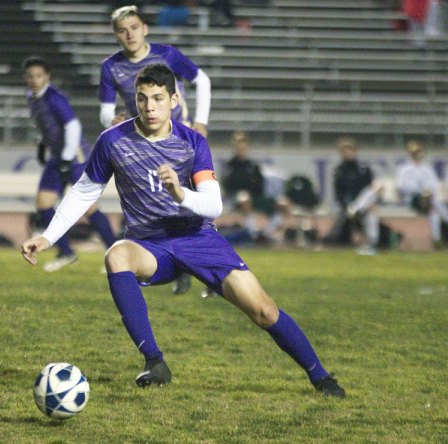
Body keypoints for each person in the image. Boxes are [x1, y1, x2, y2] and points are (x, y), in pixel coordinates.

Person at [22, 64, 345, 398]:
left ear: (174, 100)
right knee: (116, 255)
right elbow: (83, 192)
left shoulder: (192, 142)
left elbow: (213, 205)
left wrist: (180, 194)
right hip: (150, 246)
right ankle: (155, 362)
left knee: (264, 311)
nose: (149, 107)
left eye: (158, 98)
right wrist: (47, 237)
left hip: (198, 239)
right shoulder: (113, 141)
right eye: (142, 98)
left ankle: (321, 376)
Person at [99, 4, 212, 295]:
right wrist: (111, 120)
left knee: (198, 202)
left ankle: (212, 267)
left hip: (180, 140)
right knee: (156, 206)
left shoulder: (167, 54)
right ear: (116, 35)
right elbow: (105, 111)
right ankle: (179, 267)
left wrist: (201, 121)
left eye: (134, 28)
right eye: (122, 31)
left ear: (145, 28)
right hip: (144, 143)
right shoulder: (111, 66)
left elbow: (203, 81)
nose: (130, 35)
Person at [24, 57, 117, 272]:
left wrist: (66, 157)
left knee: (88, 206)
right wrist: (43, 143)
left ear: (47, 76)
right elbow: (49, 126)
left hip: (74, 156)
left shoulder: (54, 98)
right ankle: (66, 252)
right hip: (58, 156)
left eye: (38, 76)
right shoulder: (32, 96)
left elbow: (73, 126)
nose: (34, 80)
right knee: (44, 203)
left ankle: (115, 254)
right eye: (30, 76)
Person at [221, 131, 288, 244]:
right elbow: (228, 186)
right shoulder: (230, 166)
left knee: (282, 202)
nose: (241, 147)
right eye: (238, 144)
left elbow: (260, 186)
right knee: (244, 198)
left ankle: (270, 232)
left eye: (243, 144)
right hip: (237, 199)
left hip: (255, 197)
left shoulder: (253, 166)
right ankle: (253, 233)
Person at [327, 137, 383, 255]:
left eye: (350, 150)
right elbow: (339, 194)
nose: (348, 153)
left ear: (355, 151)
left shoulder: (364, 170)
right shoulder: (340, 171)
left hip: (364, 205)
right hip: (347, 206)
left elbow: (371, 189)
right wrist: (347, 206)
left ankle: (371, 245)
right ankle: (357, 210)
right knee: (366, 209)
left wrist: (372, 204)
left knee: (372, 211)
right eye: (345, 151)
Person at [396, 140, 448, 248]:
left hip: (428, 201)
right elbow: (401, 187)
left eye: (420, 152)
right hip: (412, 201)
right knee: (434, 204)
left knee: (435, 214)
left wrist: (428, 192)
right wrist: (420, 191)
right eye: (415, 152)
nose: (418, 155)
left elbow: (434, 186)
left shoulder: (427, 169)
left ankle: (436, 240)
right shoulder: (405, 170)